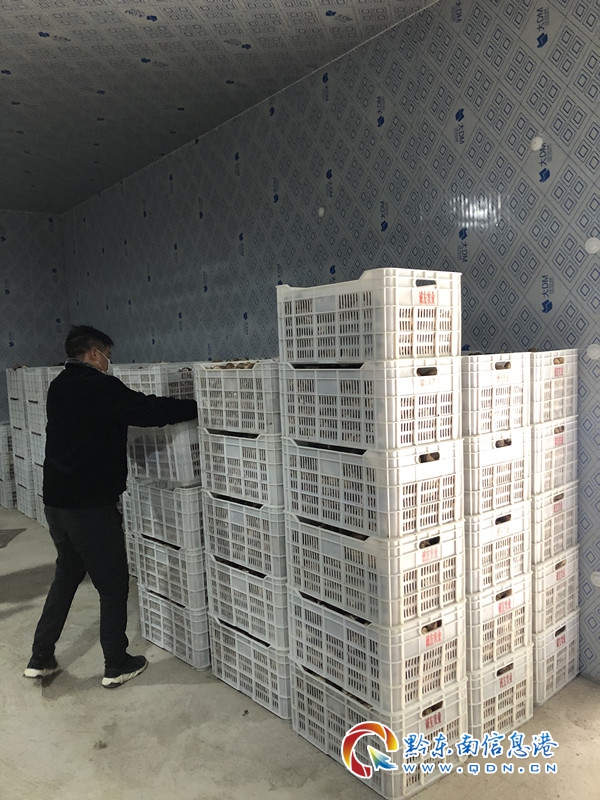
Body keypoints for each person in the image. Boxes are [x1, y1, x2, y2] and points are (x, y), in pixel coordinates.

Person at [23, 325, 198, 688]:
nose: (108, 361)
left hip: (56, 502)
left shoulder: (59, 386)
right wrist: (198, 405)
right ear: (93, 353)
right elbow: (147, 410)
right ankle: (116, 663)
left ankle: (40, 657)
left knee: (67, 575)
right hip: (90, 507)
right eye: (106, 354)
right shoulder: (100, 387)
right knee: (113, 584)